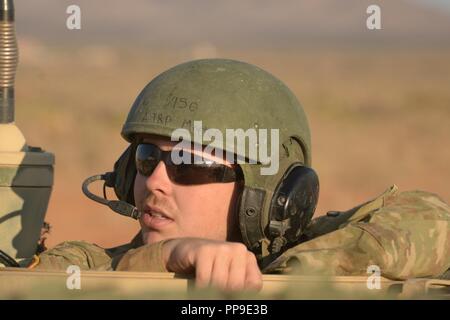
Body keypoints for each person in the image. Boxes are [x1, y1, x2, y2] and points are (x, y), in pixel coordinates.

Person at [32, 59, 450, 291]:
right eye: (145, 159)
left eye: (187, 165)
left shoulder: (304, 253)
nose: (155, 182)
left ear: (268, 197)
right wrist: (164, 261)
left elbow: (428, 219)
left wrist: (274, 283)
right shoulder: (86, 266)